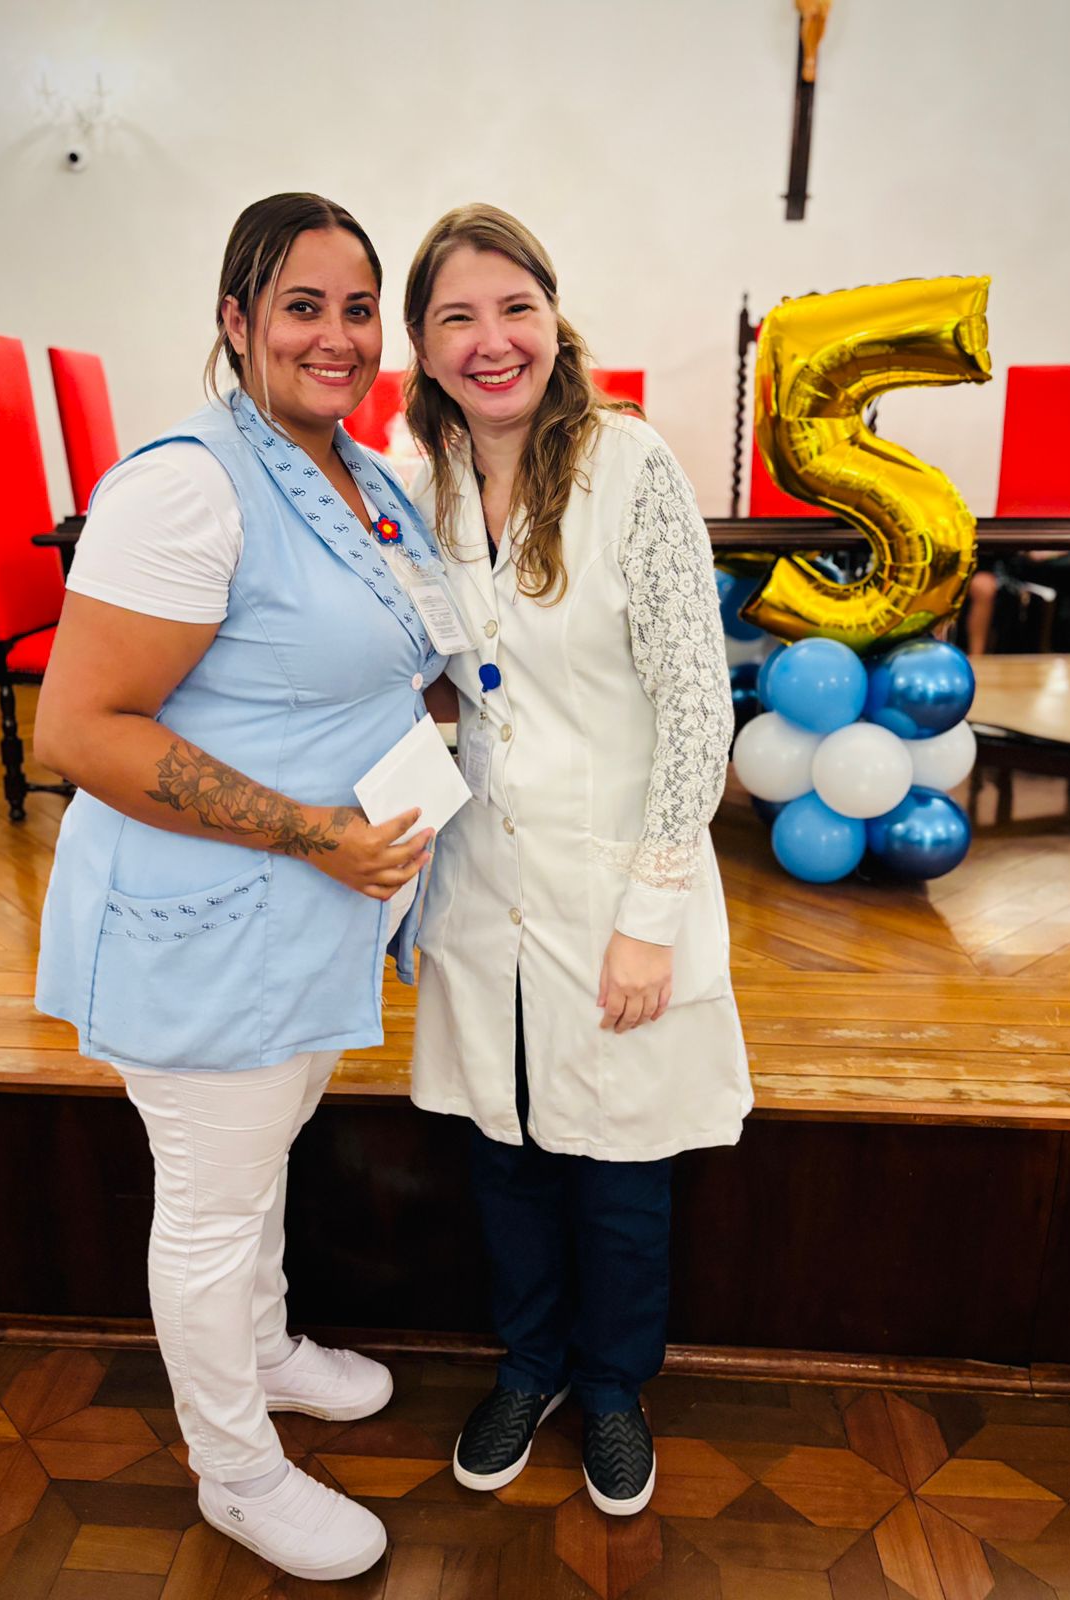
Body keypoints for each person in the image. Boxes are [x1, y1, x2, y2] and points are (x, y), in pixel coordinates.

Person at [34, 193, 447, 1582]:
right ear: (235, 319)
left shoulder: (354, 468)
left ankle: (262, 1350)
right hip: (208, 919)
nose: (337, 337)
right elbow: (78, 730)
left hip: (311, 910)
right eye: (300, 306)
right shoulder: (188, 486)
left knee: (263, 1155)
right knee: (211, 1205)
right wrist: (312, 833)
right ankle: (235, 1471)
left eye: (356, 308)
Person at [403, 205, 752, 1517]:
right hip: (483, 887)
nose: (492, 341)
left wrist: (649, 917)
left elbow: (698, 710)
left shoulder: (628, 465)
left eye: (516, 308)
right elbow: (427, 687)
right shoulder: (420, 485)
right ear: (423, 346)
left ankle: (610, 1387)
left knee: (617, 1164)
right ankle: (530, 1365)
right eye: (457, 317)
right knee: (503, 1150)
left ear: (554, 318)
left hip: (615, 887)